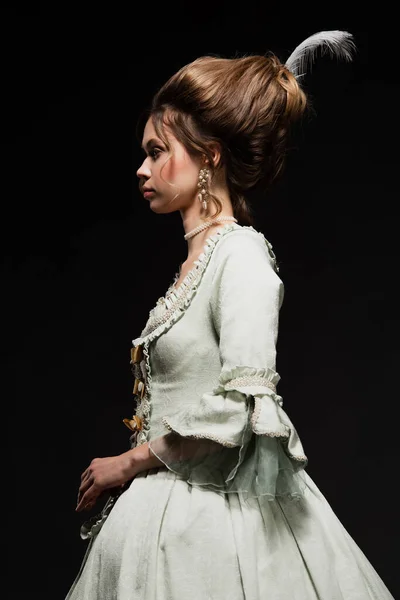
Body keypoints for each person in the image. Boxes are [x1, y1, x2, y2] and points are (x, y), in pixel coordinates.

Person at [66, 31, 394, 599]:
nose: (141, 171)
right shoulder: (195, 264)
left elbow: (244, 405)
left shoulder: (239, 254)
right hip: (165, 522)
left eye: (156, 151)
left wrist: (129, 462)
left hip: (215, 532)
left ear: (210, 155)